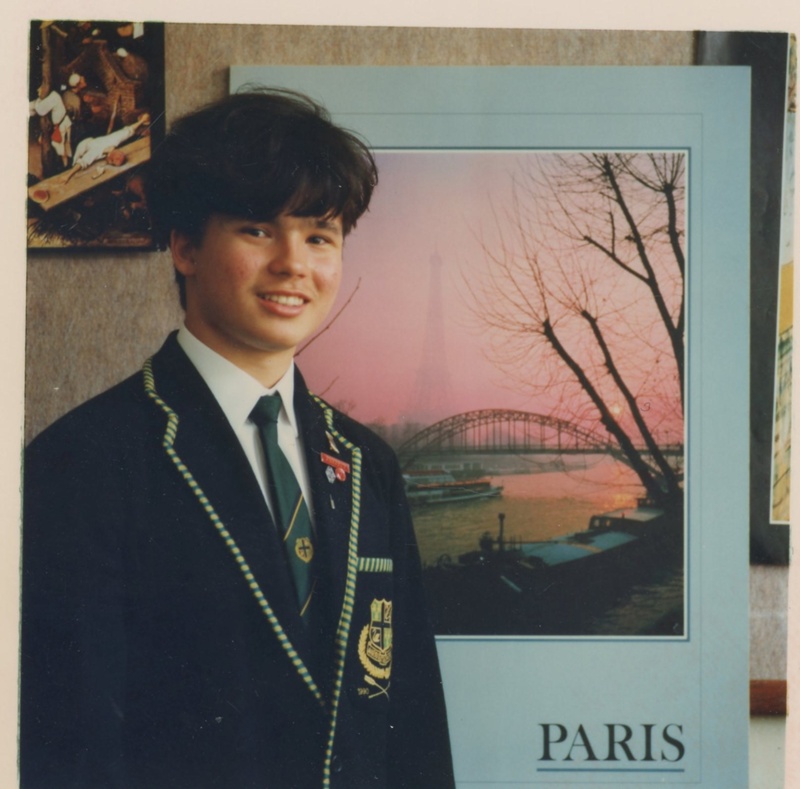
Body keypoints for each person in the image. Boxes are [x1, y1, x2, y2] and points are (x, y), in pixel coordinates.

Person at [20, 88, 455, 789]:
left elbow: (414, 723)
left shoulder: (367, 463)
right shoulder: (82, 462)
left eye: (320, 234)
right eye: (257, 229)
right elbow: (71, 745)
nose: (294, 263)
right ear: (185, 246)